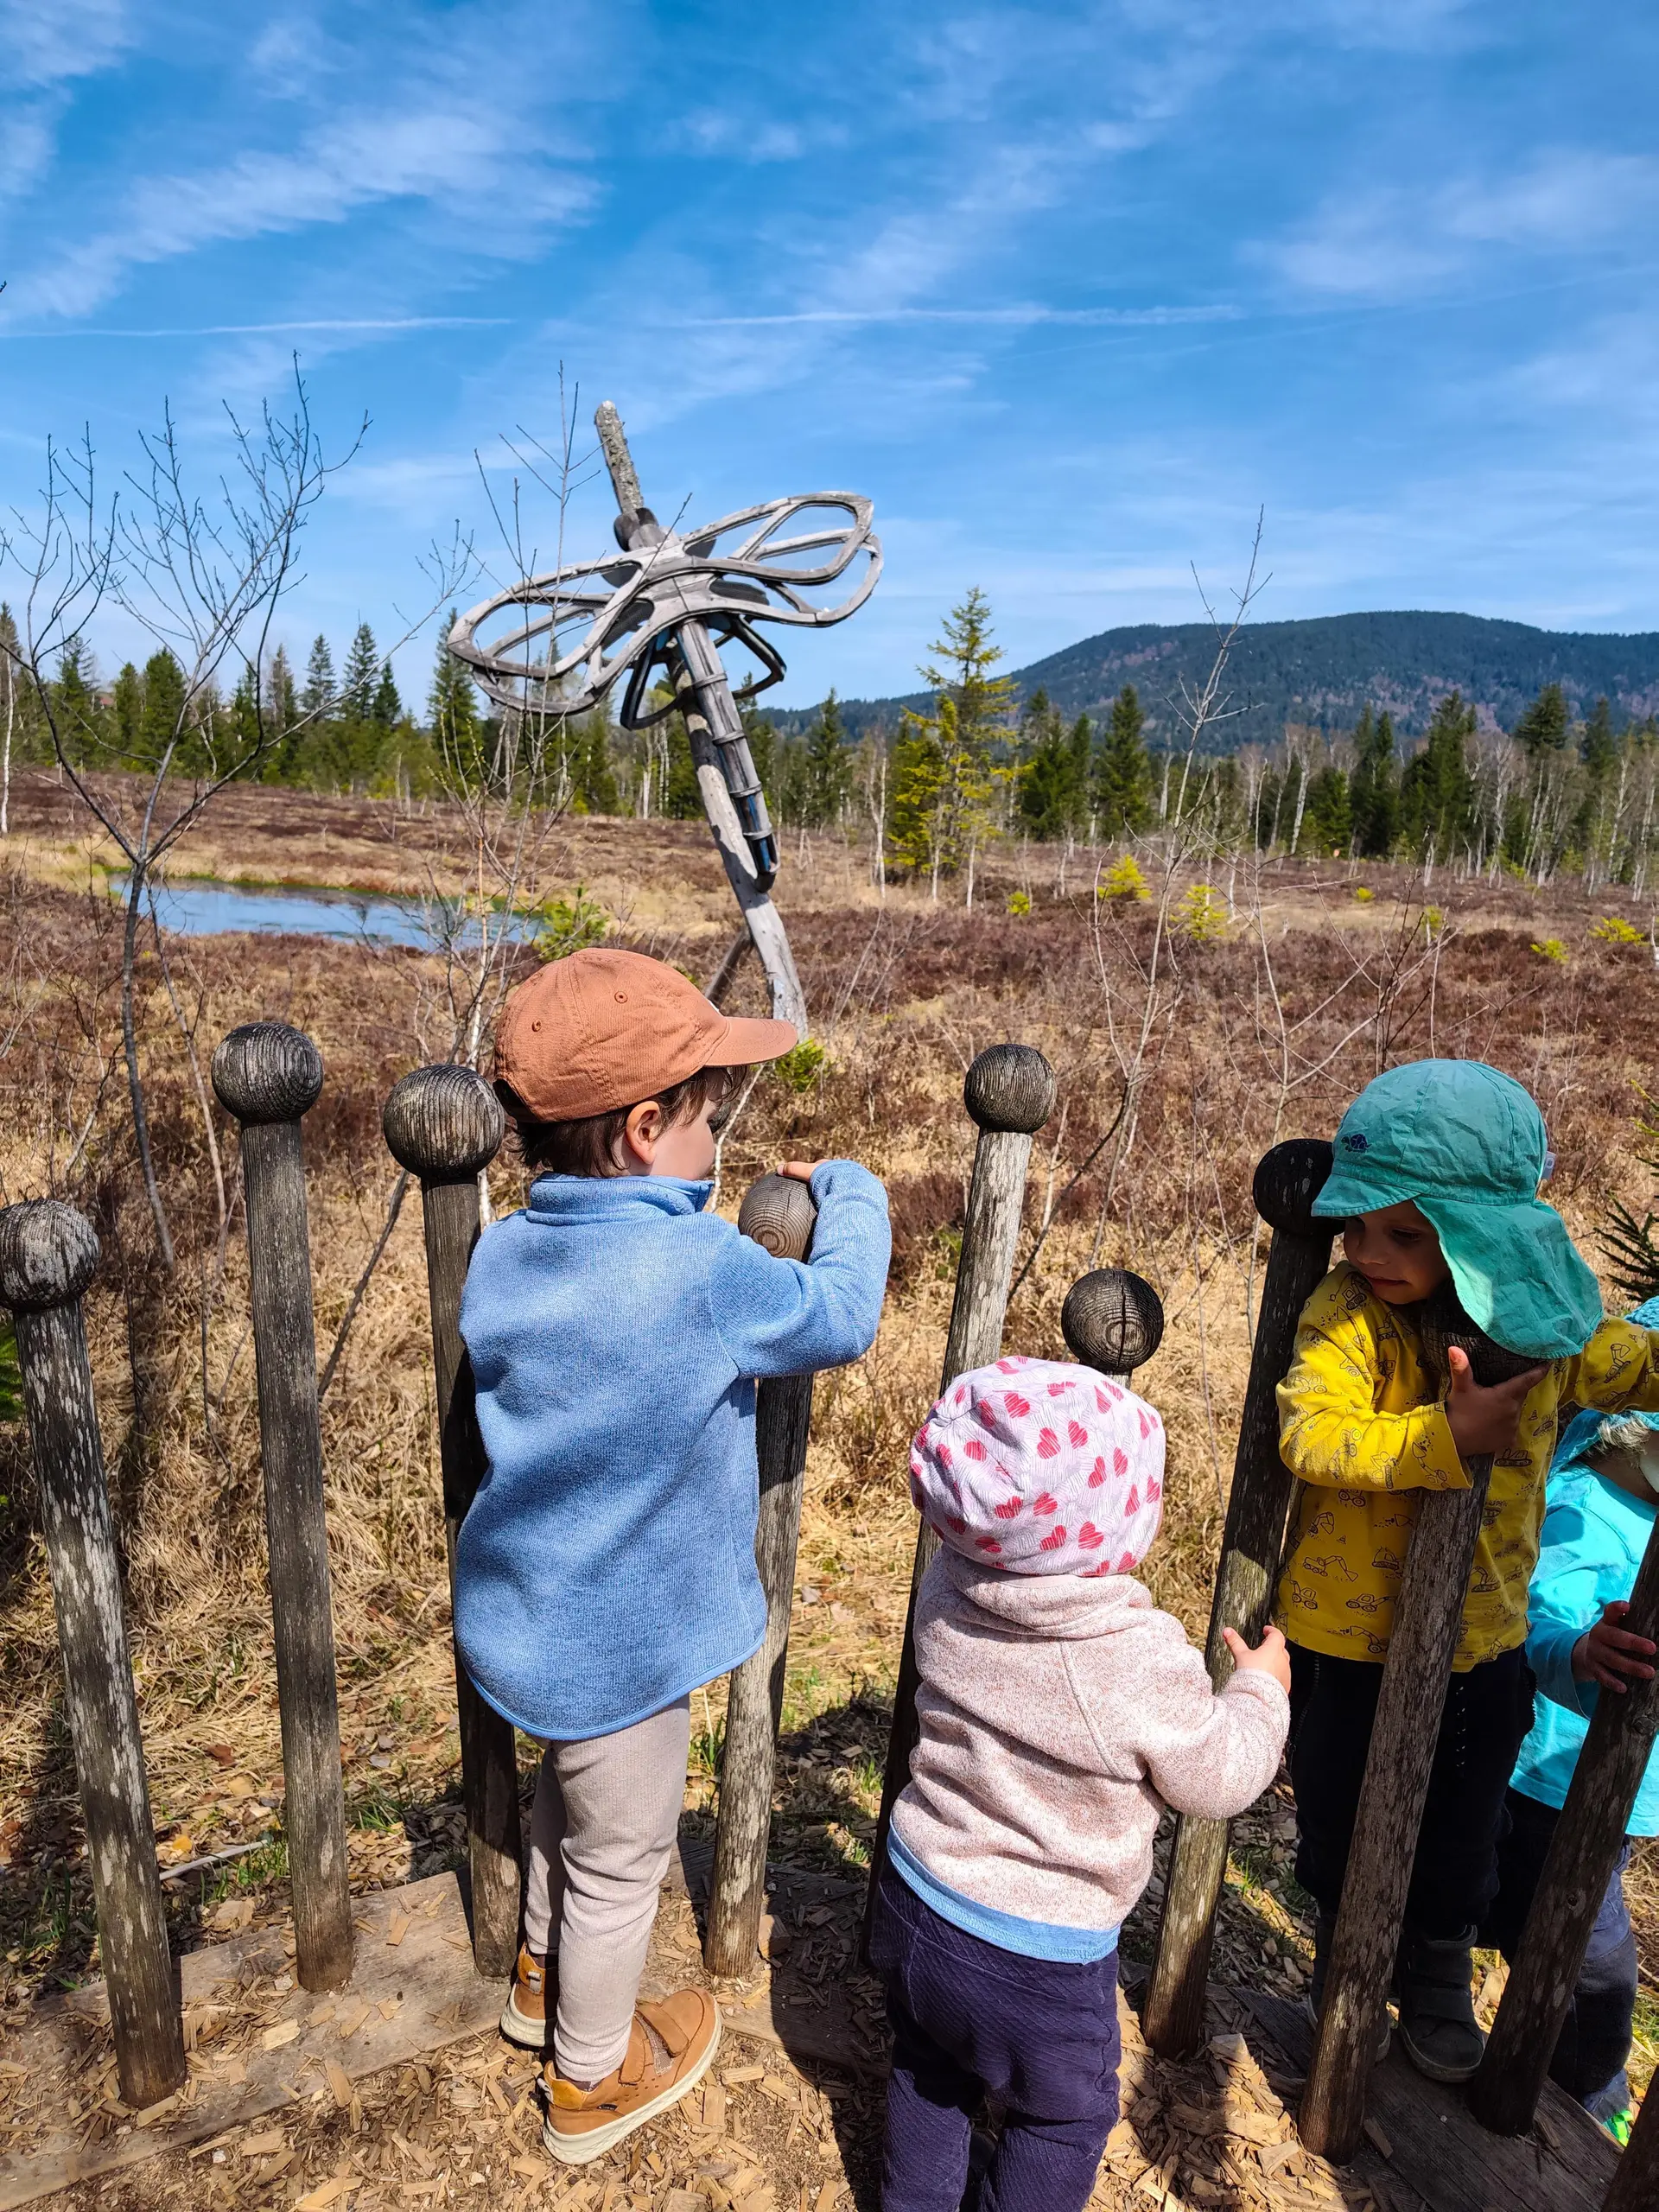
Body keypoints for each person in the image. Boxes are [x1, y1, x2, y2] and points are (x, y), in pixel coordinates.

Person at [454, 947, 891, 2167]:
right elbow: (840, 1315)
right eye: (710, 1119)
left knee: (564, 1802)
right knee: (624, 1859)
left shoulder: (503, 1253)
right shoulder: (696, 1268)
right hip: (626, 1643)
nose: (720, 1146)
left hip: (525, 1622)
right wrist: (852, 1193)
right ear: (647, 1129)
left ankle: (539, 1985)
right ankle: (590, 2080)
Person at [1275, 1058, 1659, 2084]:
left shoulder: (1546, 1336)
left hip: (1481, 1638)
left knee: (1464, 1824)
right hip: (1346, 1637)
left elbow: (1633, 1359)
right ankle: (1344, 1957)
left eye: (1408, 1232)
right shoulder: (1346, 1314)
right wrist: (1443, 1433)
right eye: (1360, 1225)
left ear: (1481, 1233)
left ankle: (1438, 1966)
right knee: (1339, 1808)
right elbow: (1310, 1434)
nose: (1369, 1251)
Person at [870, 1353, 1291, 2212]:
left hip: (916, 1894)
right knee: (1063, 2117)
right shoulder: (1130, 1653)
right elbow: (1218, 1776)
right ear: (1114, 1524)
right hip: (1036, 1955)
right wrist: (1261, 1691)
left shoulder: (949, 1583)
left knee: (928, 2069)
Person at [1483, 1299, 1659, 2145]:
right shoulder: (1586, 1500)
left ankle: (1588, 2089)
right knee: (1514, 1911)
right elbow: (1535, 1610)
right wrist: (1578, 1650)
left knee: (1582, 1947)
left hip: (1618, 1796)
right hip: (1538, 1766)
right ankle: (1584, 2083)